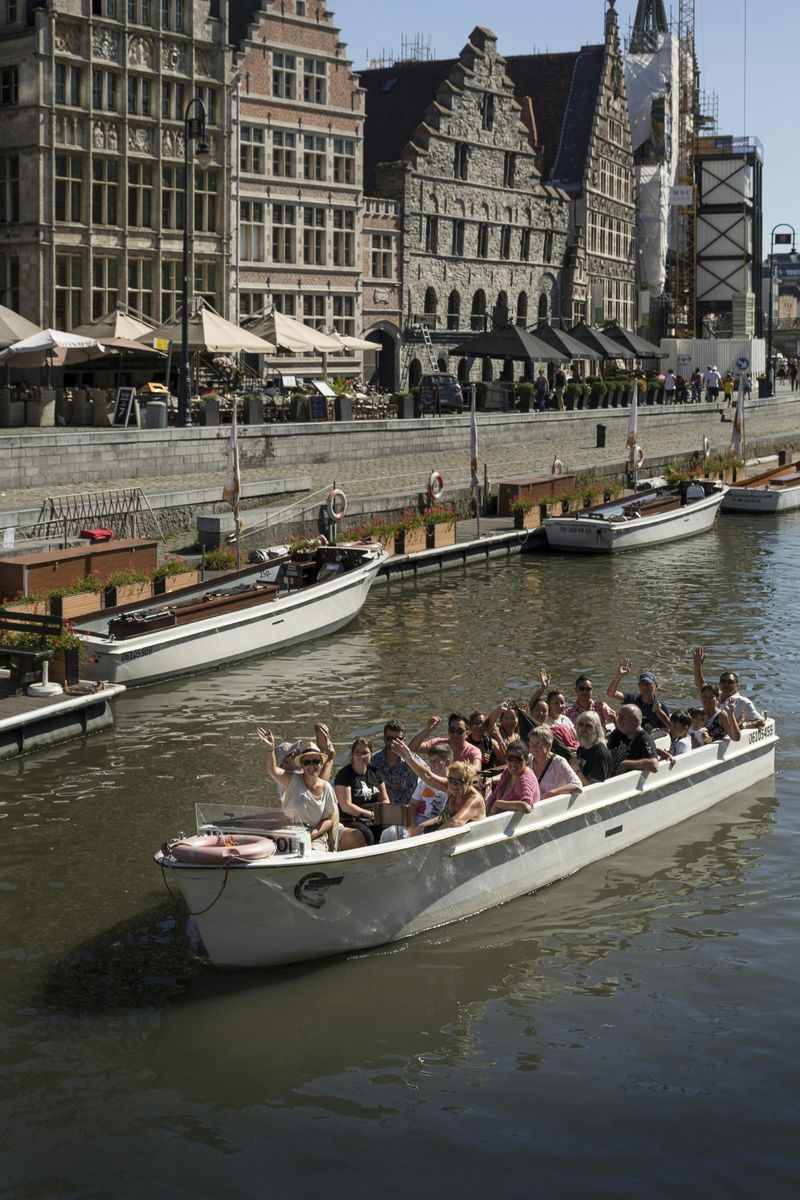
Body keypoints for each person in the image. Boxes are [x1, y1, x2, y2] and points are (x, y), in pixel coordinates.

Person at [257, 730, 338, 851]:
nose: (311, 765)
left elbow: (329, 819)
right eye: (307, 762)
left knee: (312, 851)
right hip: (290, 835)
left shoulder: (327, 787)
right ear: (302, 765)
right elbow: (273, 771)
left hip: (315, 836)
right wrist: (270, 749)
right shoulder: (291, 779)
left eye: (315, 761)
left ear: (321, 763)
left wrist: (310, 836)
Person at [393, 744, 485, 835]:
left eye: (460, 781)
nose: (454, 785)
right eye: (451, 780)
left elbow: (456, 822)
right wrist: (408, 758)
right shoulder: (451, 789)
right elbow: (427, 776)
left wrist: (434, 834)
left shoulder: (474, 800)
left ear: (469, 782)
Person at [333, 737, 390, 847]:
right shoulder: (344, 775)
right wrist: (368, 814)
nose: (362, 756)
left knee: (389, 831)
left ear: (371, 755)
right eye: (358, 753)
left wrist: (379, 812)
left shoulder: (375, 773)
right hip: (353, 818)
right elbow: (346, 806)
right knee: (367, 835)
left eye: (365, 753)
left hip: (375, 817)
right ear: (352, 755)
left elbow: (385, 799)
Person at [691, 647, 765, 728]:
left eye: (730, 682)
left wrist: (743, 724)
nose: (726, 684)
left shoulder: (744, 702)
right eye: (723, 682)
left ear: (738, 686)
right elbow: (701, 685)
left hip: (728, 732)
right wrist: (697, 666)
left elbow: (760, 722)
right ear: (719, 685)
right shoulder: (714, 696)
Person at [606, 659, 669, 731]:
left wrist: (659, 712)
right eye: (642, 684)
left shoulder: (661, 708)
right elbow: (611, 694)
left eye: (648, 684)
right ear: (638, 686)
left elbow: (666, 730)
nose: (645, 687)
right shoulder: (632, 699)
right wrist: (618, 677)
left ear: (656, 686)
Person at [410, 712, 483, 769]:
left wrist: (457, 770)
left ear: (467, 734)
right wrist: (428, 729)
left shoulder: (473, 751)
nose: (455, 734)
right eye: (452, 730)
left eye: (459, 731)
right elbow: (412, 748)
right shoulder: (439, 744)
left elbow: (477, 768)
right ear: (448, 731)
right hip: (435, 782)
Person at [527, 725, 583, 800]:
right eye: (531, 743)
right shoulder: (529, 759)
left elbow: (577, 785)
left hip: (553, 804)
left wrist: (554, 792)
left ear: (548, 745)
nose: (533, 747)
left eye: (537, 744)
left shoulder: (558, 762)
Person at [372, 719, 419, 804]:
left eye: (398, 739)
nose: (393, 742)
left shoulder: (414, 759)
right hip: (383, 808)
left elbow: (428, 777)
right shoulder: (373, 761)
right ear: (384, 739)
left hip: (408, 808)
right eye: (389, 738)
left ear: (404, 740)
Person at [487, 739, 540, 813]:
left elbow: (527, 807)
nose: (513, 763)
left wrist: (498, 804)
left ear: (526, 760)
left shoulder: (524, 780)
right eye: (510, 758)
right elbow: (494, 796)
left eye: (518, 759)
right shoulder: (508, 772)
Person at [606, 705, 659, 776]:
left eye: (624, 718)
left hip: (627, 778)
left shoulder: (644, 738)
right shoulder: (619, 731)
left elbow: (653, 765)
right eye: (618, 717)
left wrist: (626, 764)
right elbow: (605, 746)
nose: (619, 721)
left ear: (636, 721)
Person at [570, 710, 613, 784]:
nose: (583, 729)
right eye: (581, 724)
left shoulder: (599, 754)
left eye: (589, 726)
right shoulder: (582, 748)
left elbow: (595, 787)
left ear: (597, 729)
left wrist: (576, 770)